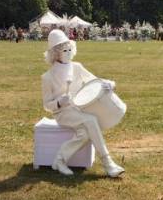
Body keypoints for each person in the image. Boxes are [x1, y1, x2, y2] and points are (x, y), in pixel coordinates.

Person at [41, 29, 125, 177]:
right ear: (55, 54)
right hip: (63, 114)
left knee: (86, 132)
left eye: (69, 49)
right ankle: (108, 163)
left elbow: (94, 80)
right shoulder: (47, 77)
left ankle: (59, 160)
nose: (68, 53)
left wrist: (110, 83)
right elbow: (47, 105)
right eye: (63, 50)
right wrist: (60, 102)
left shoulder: (77, 67)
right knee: (91, 120)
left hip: (80, 109)